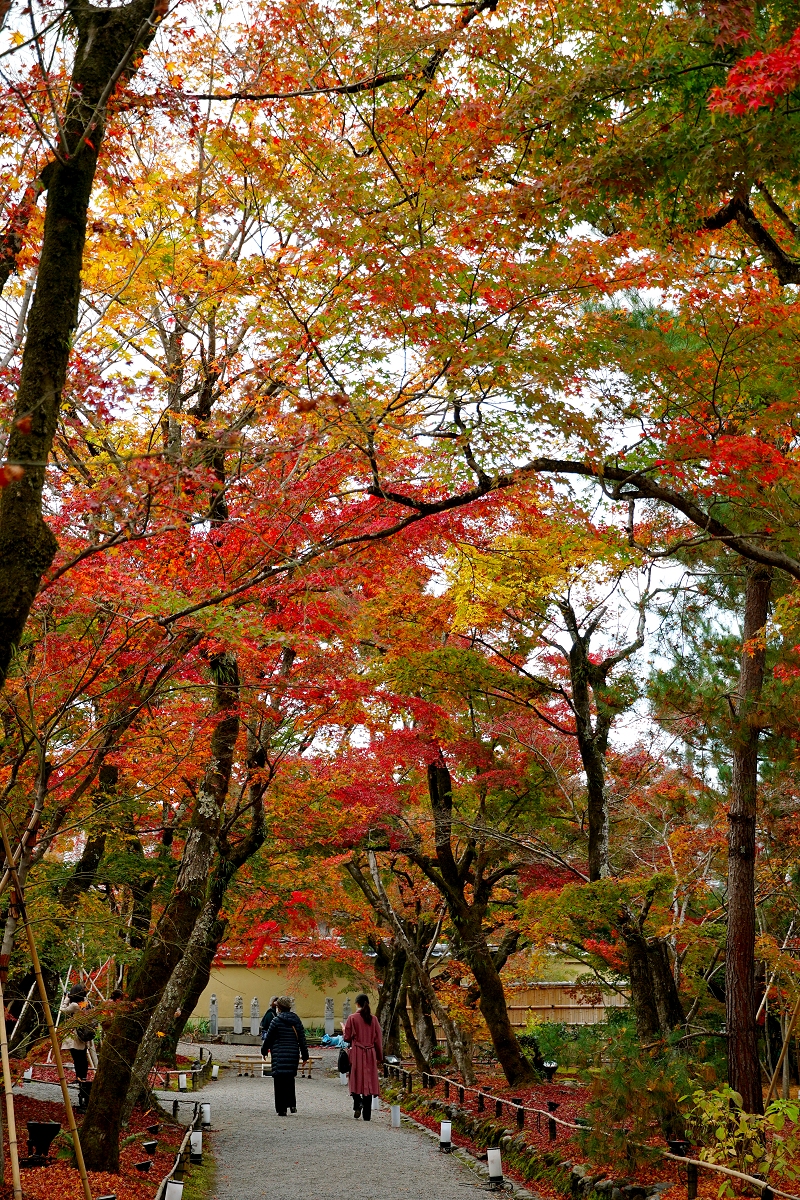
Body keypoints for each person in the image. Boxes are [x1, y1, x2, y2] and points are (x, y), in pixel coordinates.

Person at [262, 996, 309, 1116]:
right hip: (293, 1053)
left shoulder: (276, 1021)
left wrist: (263, 1051)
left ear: (279, 1008)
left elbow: (268, 1039)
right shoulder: (296, 1020)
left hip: (278, 1054)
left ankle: (281, 1109)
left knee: (279, 1081)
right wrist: (305, 1056)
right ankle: (292, 1104)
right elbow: (302, 1039)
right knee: (289, 1079)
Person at [343, 993, 383, 1121]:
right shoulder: (374, 1019)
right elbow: (378, 1039)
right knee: (369, 1080)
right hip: (370, 1052)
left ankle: (357, 1102)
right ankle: (367, 1115)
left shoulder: (352, 1018)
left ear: (357, 1004)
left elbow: (347, 1037)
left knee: (355, 1078)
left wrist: (344, 1029)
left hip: (357, 1051)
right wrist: (379, 1056)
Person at [60, 984, 95, 1082]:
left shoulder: (75, 1005)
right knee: (82, 1057)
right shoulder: (87, 1003)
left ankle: (79, 1077)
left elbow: (63, 1010)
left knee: (77, 1058)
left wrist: (66, 999)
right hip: (84, 1032)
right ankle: (82, 1077)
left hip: (76, 1034)